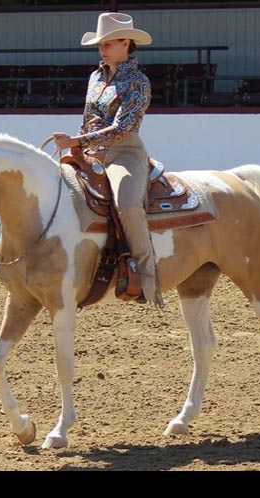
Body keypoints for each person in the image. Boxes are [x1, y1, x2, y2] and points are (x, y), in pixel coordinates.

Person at [52, 12, 164, 309]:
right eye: (100, 44)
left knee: (127, 204)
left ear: (126, 43)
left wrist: (77, 141)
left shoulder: (138, 82)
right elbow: (89, 118)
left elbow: (122, 127)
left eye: (109, 43)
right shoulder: (95, 76)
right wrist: (77, 145)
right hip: (90, 151)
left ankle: (147, 277)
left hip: (124, 152)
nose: (102, 49)